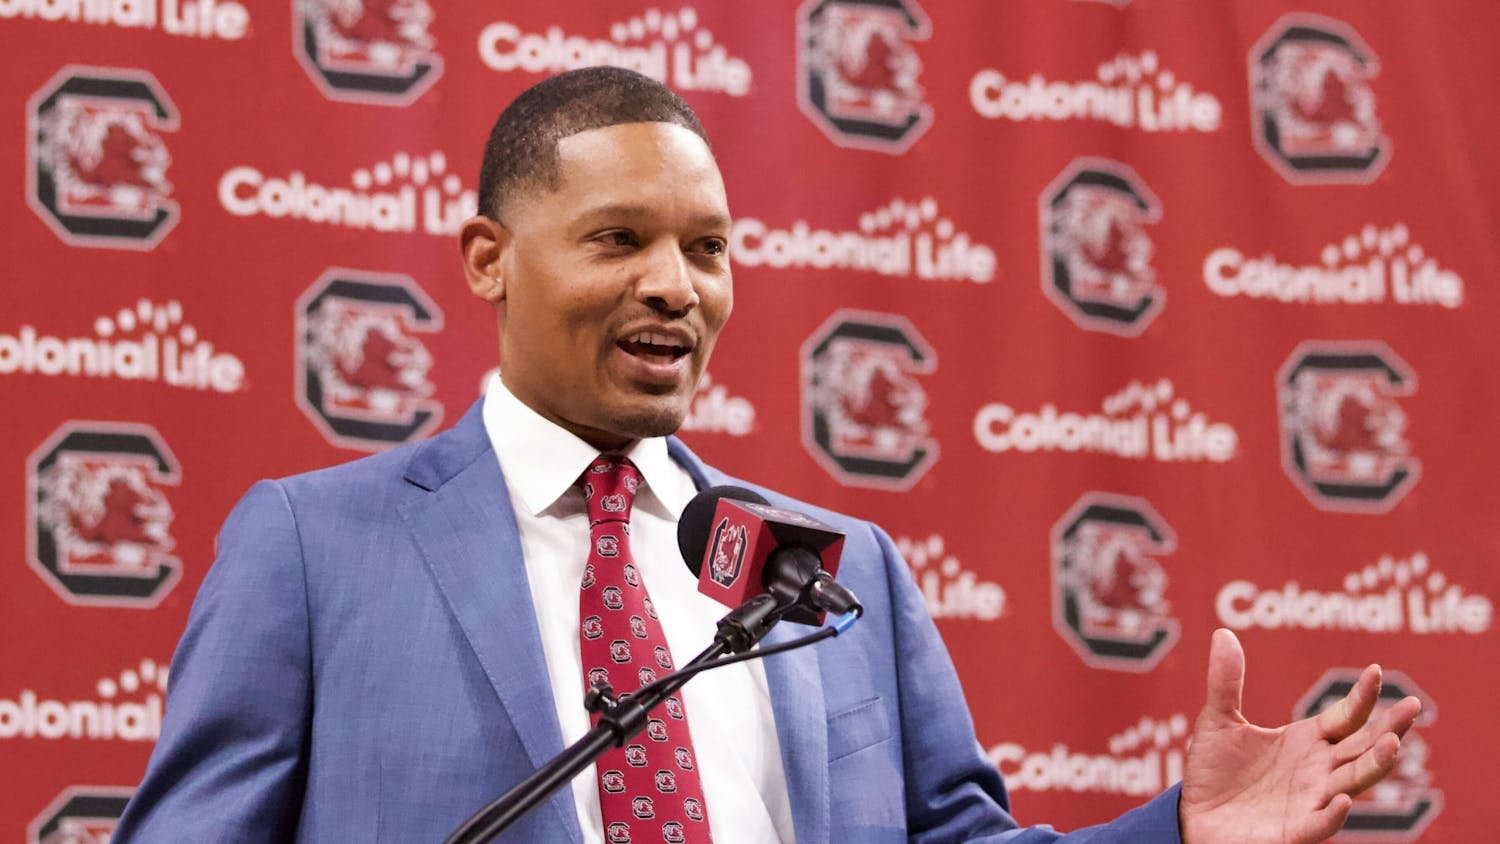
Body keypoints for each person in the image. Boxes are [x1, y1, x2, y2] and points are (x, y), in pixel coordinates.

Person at [114, 67, 1420, 843]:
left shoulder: (841, 569)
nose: (677, 287)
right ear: (487, 261)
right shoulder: (313, 545)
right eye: (620, 240)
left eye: (708, 247)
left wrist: (1181, 834)